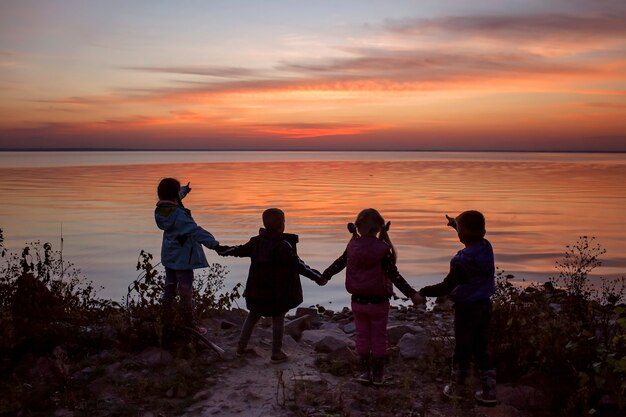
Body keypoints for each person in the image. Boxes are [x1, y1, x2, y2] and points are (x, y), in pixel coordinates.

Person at [320, 208, 424, 386]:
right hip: (378, 303)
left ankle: (364, 372)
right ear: (379, 229)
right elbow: (394, 275)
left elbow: (339, 263)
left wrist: (325, 275)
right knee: (378, 337)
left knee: (362, 335)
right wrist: (412, 294)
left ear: (358, 227)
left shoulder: (352, 246)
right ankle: (378, 376)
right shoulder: (383, 249)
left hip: (358, 301)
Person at [216, 208, 323, 364]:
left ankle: (241, 347)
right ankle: (276, 353)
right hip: (277, 294)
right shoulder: (284, 246)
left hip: (256, 290)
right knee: (278, 319)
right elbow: (298, 266)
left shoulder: (256, 242)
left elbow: (238, 250)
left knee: (252, 316)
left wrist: (223, 250)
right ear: (282, 225)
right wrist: (318, 277)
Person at [417, 210, 497, 406]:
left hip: (466, 310)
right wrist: (455, 223)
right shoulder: (486, 248)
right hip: (485, 306)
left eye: (458, 229)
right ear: (483, 231)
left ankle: (457, 389)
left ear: (462, 234)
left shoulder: (462, 261)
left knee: (462, 348)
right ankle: (490, 392)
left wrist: (422, 291)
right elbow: (471, 233)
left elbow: (446, 287)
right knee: (481, 348)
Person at [154, 178, 220, 335]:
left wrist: (184, 190)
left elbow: (174, 198)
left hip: (169, 257)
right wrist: (215, 245)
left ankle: (165, 319)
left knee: (169, 289)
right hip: (183, 259)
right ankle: (190, 324)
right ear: (174, 194)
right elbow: (195, 231)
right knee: (186, 292)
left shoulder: (161, 210)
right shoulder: (179, 215)